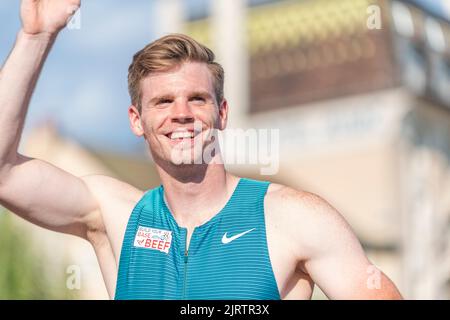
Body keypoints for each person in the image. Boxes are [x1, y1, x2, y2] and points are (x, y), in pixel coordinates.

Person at [0, 0, 402, 300]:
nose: (181, 114)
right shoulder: (116, 216)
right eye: (162, 102)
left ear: (221, 113)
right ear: (136, 121)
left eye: (197, 98)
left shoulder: (293, 217)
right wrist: (36, 37)